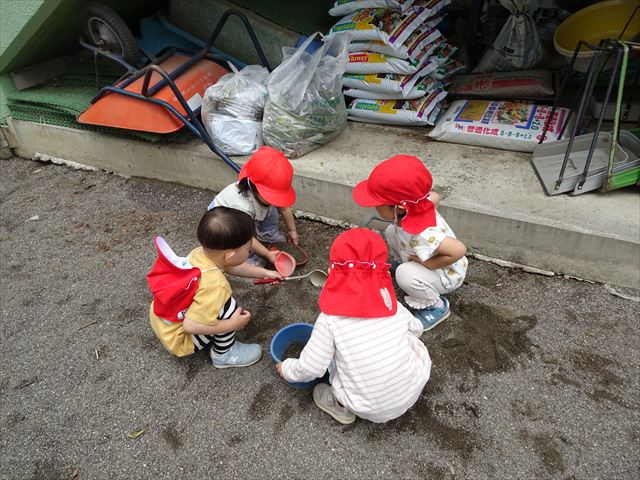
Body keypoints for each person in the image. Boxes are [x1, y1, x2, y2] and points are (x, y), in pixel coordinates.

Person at [276, 228, 432, 424]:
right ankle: (398, 380)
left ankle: (341, 406)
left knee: (332, 358)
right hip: (414, 385)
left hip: (370, 408)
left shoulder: (330, 320)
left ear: (333, 271)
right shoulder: (392, 305)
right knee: (407, 337)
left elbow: (311, 368)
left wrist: (286, 369)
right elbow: (417, 329)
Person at [147, 207, 282, 367]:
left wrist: (264, 273)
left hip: (163, 320)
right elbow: (190, 326)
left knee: (217, 303)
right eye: (248, 248)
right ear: (230, 255)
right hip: (181, 338)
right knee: (228, 307)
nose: (251, 250)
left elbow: (230, 266)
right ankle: (224, 354)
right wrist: (233, 324)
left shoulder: (200, 254)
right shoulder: (215, 285)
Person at [352, 155, 467, 330]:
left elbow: (458, 250)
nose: (374, 207)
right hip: (422, 254)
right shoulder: (415, 206)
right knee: (391, 231)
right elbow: (435, 196)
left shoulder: (423, 234)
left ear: (399, 208)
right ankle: (409, 268)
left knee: (404, 274)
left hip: (446, 274)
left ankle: (436, 306)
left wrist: (428, 263)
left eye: (377, 204)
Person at [208, 146, 299, 267]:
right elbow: (247, 237)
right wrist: (267, 254)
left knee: (272, 209)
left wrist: (292, 231)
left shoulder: (262, 194)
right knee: (240, 240)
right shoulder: (242, 206)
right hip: (223, 221)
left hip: (248, 211)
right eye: (271, 196)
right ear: (253, 187)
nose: (274, 200)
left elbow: (284, 207)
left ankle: (266, 232)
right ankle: (247, 257)